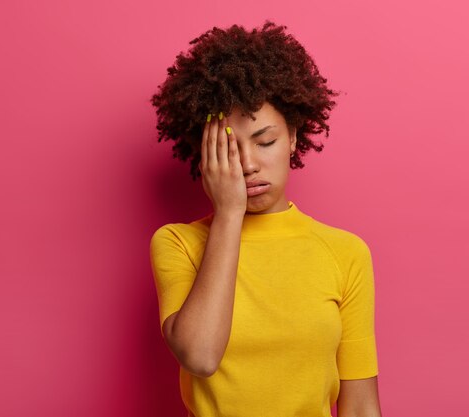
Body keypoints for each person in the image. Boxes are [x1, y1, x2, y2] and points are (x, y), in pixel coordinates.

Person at [149, 21, 382, 417]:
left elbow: (361, 407)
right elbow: (201, 356)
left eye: (265, 141)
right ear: (203, 155)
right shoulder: (178, 243)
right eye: (228, 148)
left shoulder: (346, 253)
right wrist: (228, 213)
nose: (248, 164)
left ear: (293, 137)